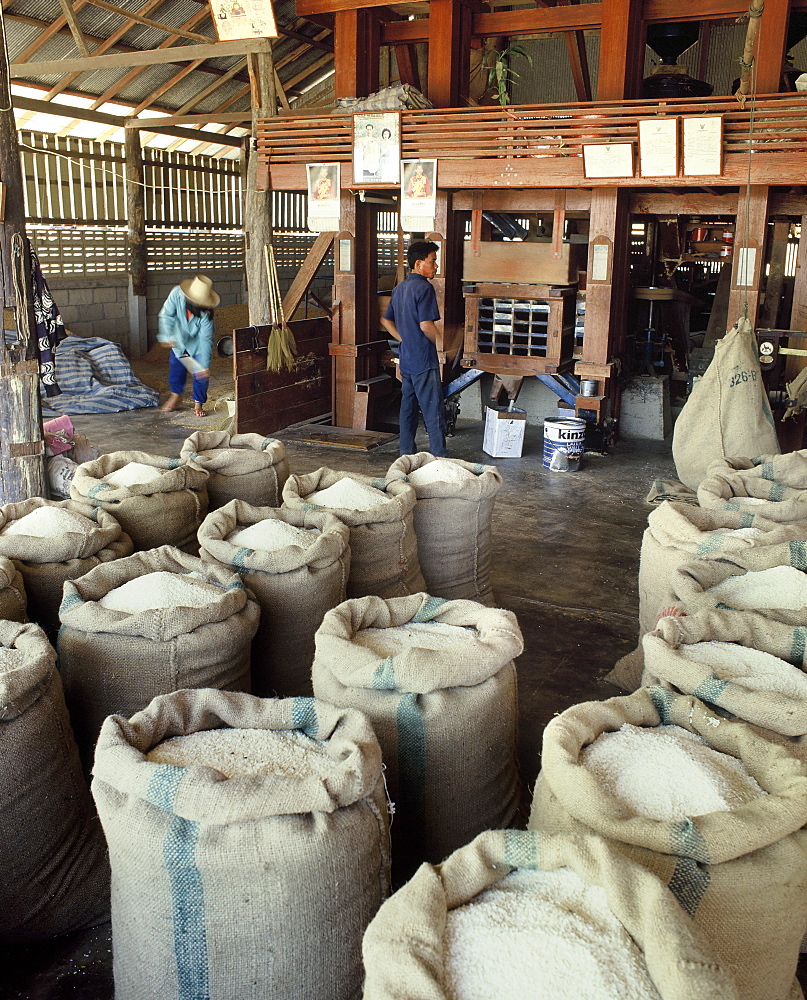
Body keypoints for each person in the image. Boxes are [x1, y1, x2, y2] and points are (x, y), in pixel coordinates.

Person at [381, 240, 447, 457]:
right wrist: (442, 344)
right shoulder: (424, 288)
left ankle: (406, 453)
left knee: (407, 408)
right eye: (433, 261)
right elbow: (426, 324)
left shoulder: (400, 288)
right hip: (424, 359)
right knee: (432, 409)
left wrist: (404, 339)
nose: (436, 266)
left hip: (407, 359)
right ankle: (439, 458)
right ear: (419, 263)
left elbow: (386, 320)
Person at [157, 274, 220, 417]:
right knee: (176, 366)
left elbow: (206, 341)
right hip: (178, 339)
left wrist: (203, 365)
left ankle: (198, 403)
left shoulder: (206, 317)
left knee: (201, 375)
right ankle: (176, 396)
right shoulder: (176, 294)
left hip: (197, 345)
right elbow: (166, 315)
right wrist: (167, 335)